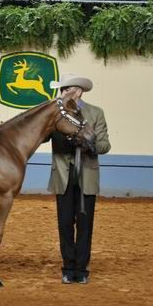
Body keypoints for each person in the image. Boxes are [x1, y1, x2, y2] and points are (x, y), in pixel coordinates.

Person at [47, 74, 111, 284]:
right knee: (65, 223)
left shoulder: (95, 113)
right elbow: (40, 134)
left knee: (85, 224)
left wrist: (89, 142)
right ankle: (67, 268)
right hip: (63, 176)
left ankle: (81, 269)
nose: (63, 93)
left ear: (79, 91)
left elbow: (105, 146)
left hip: (86, 175)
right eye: (62, 90)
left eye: (67, 90)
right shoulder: (54, 113)